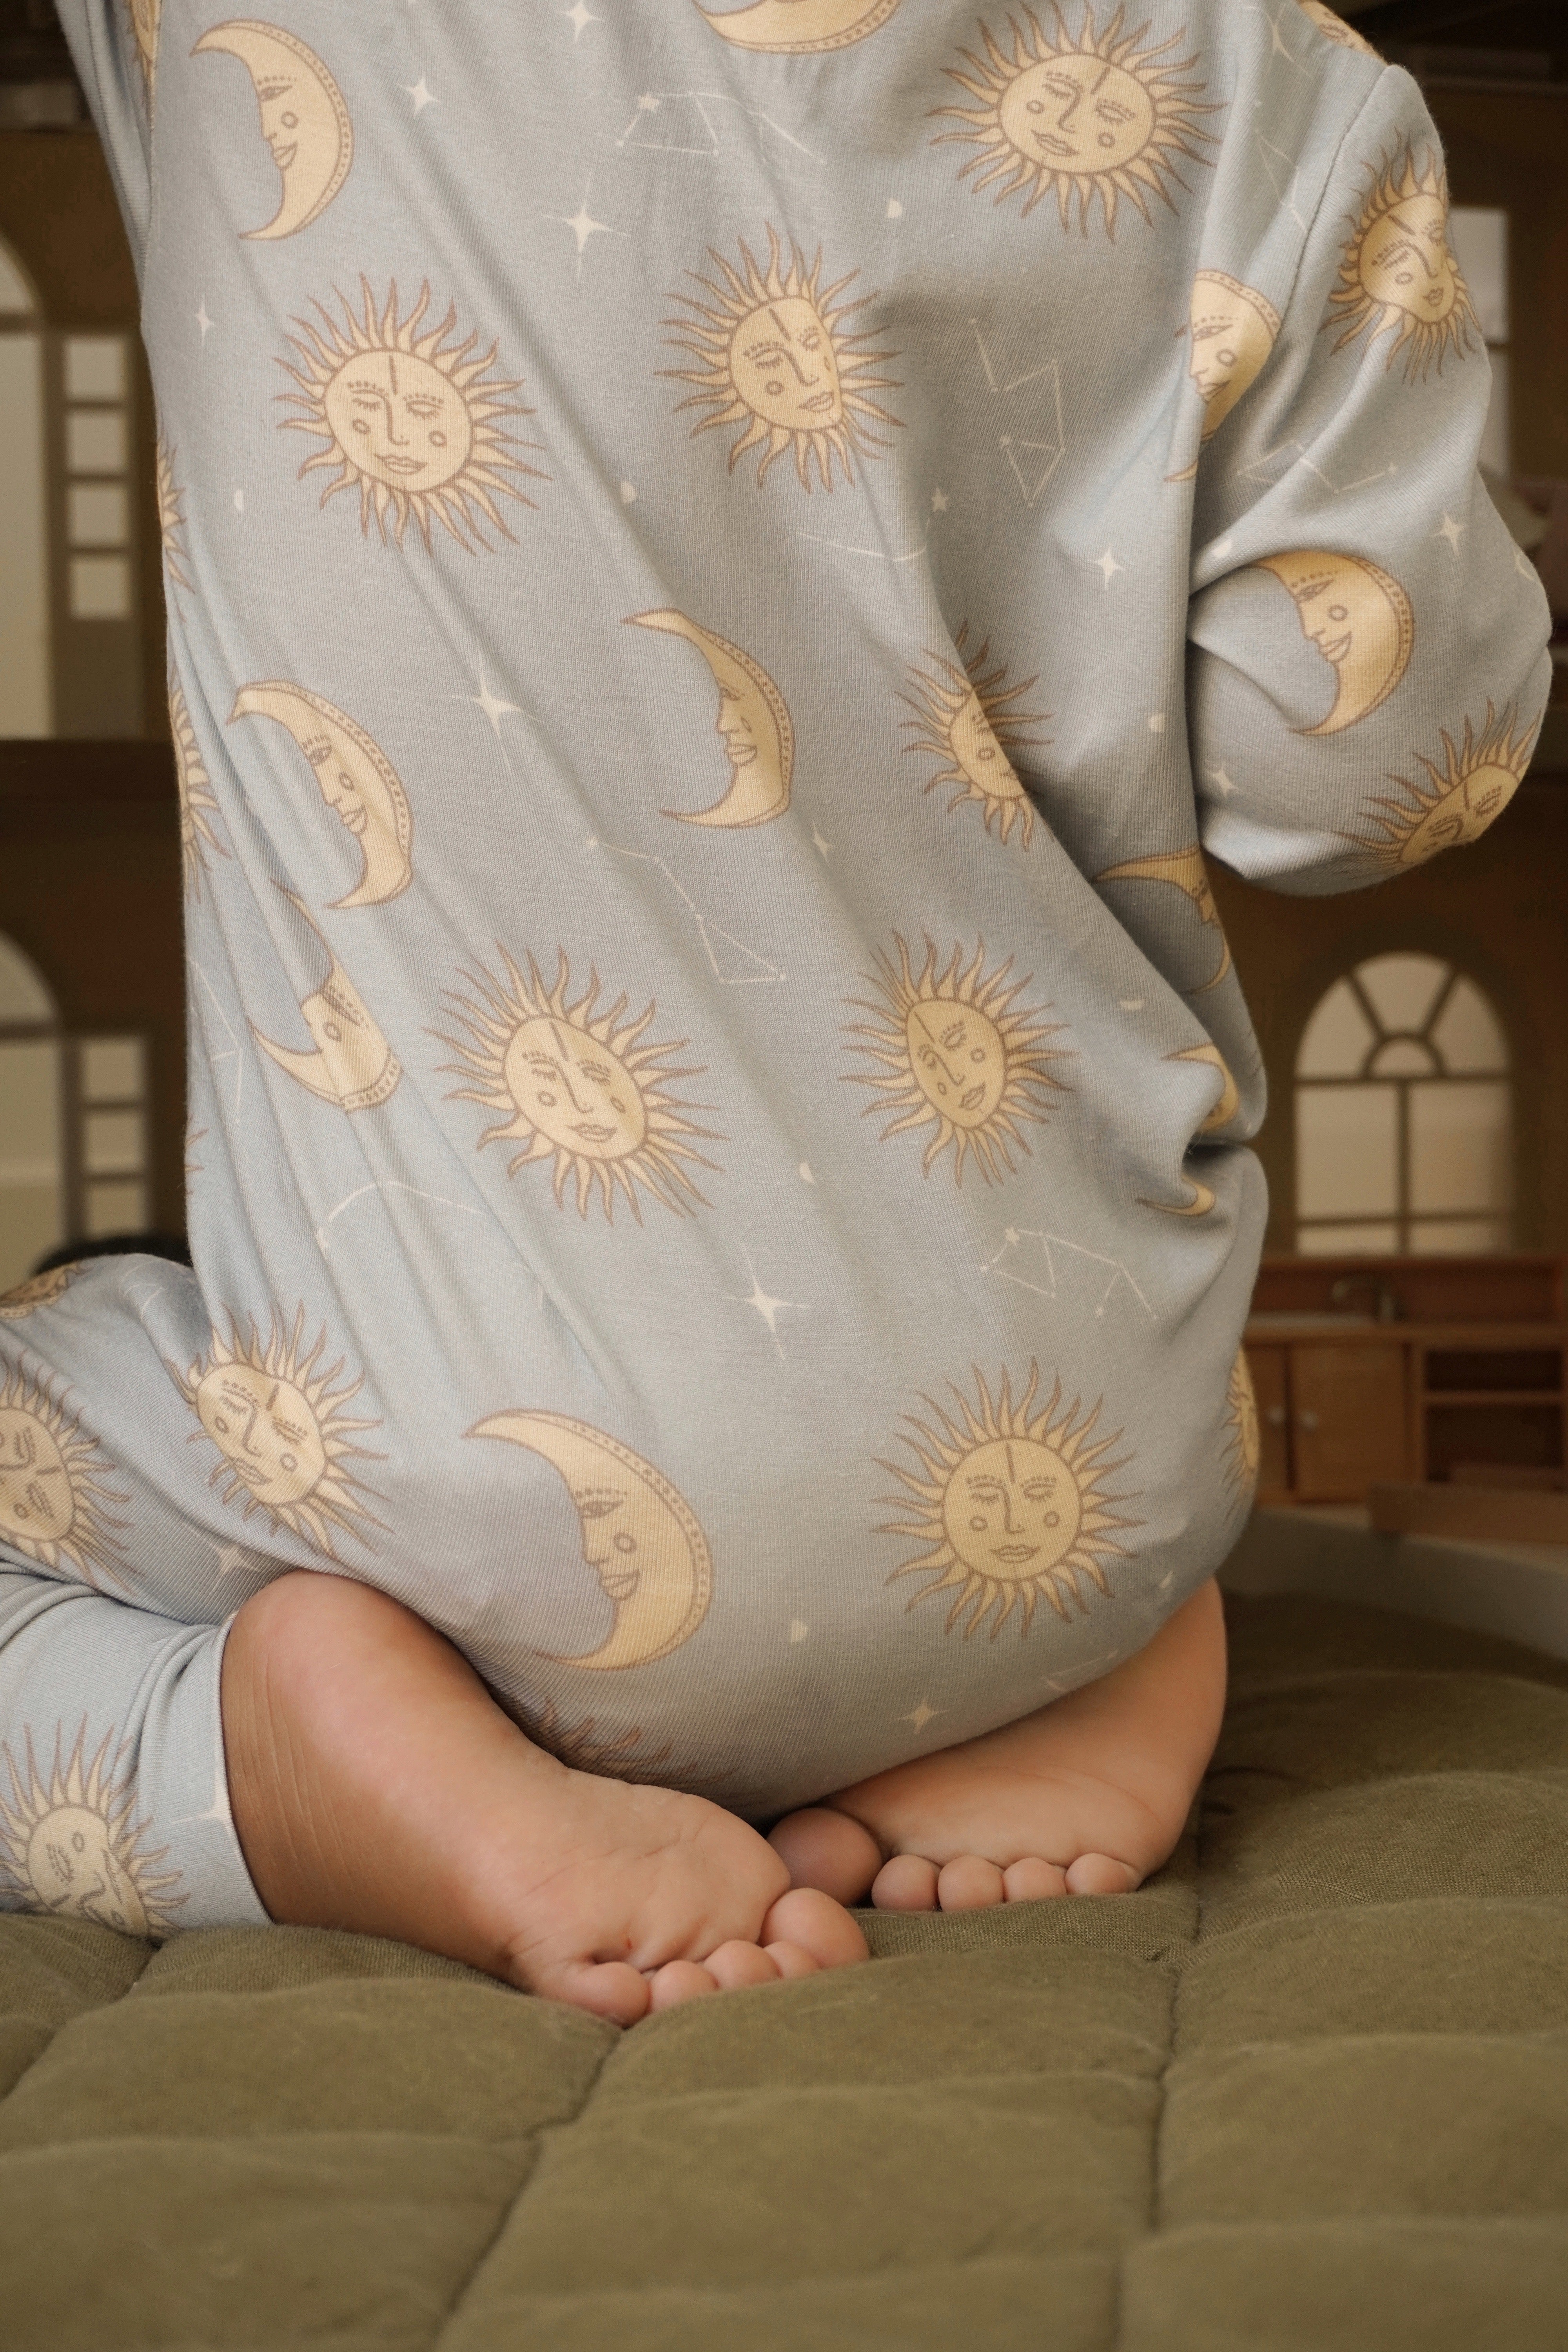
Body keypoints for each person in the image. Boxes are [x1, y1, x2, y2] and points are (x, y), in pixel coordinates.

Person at [0, 0, 1547, 2023]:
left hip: (480, 1502)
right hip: (1088, 1442)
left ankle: (251, 1763)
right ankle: (1084, 1653)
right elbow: (1371, 769)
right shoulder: (1259, 74)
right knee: (1034, 1478)